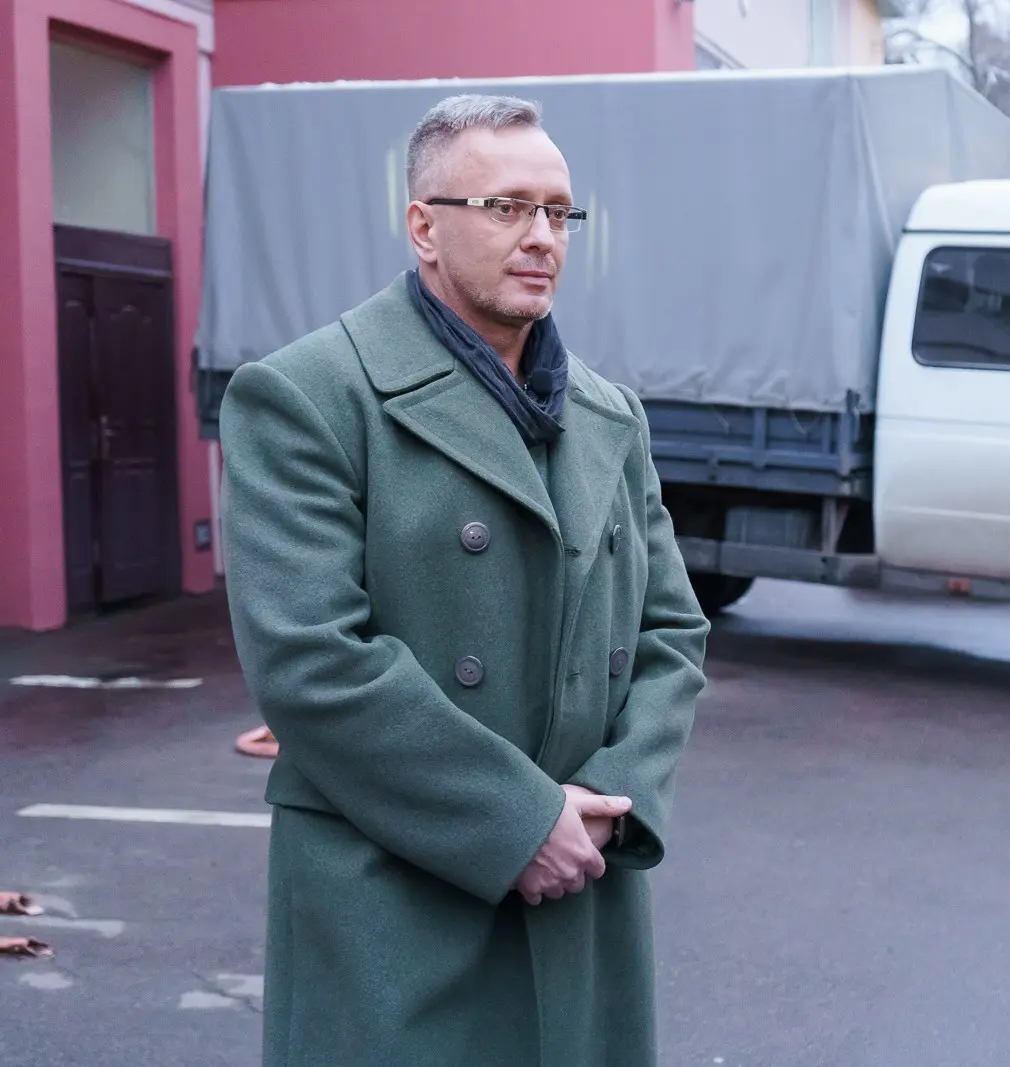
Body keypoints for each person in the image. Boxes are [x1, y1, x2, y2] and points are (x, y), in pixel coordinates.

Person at [219, 93, 711, 1067]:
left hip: (582, 891)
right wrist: (517, 821)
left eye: (558, 212)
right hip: (394, 910)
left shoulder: (609, 413)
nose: (542, 237)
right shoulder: (309, 395)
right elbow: (312, 661)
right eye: (506, 207)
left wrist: (609, 802)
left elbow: (671, 635)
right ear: (423, 227)